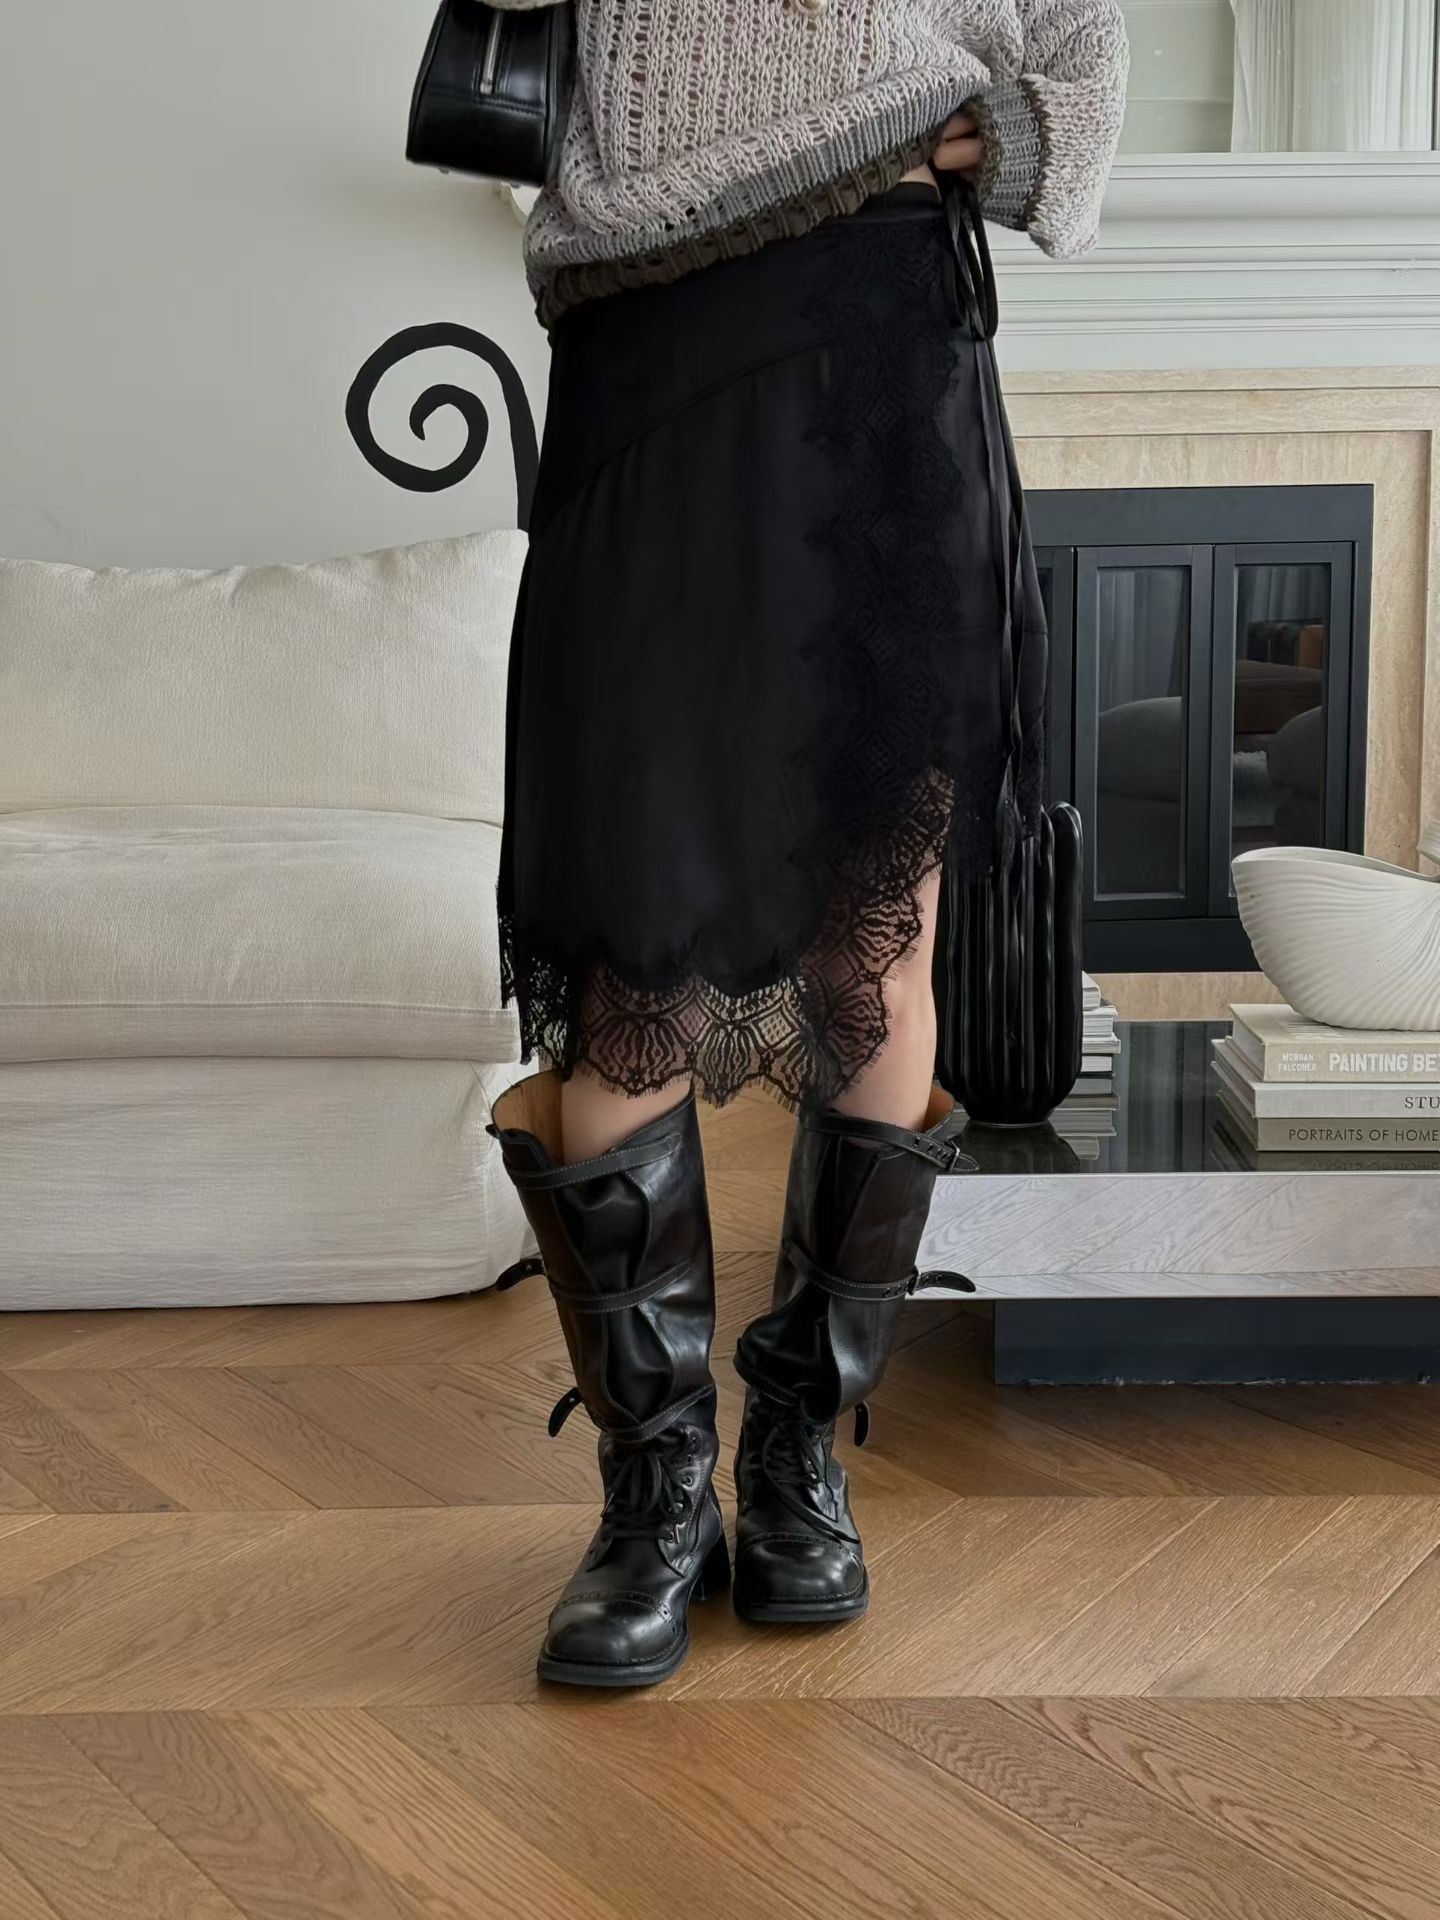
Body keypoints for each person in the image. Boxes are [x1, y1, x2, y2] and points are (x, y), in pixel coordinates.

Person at [485, 0, 1129, 1688]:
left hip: (884, 337)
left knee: (874, 943)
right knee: (626, 944)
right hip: (652, 335)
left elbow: (1076, 29)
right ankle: (654, 1494)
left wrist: (1026, 129)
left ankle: (795, 1459)